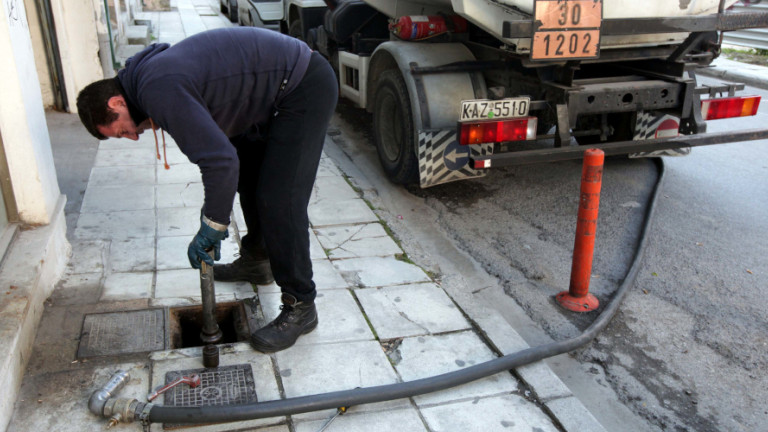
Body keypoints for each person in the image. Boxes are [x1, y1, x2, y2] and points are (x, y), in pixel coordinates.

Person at [76, 27, 338, 353]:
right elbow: (225, 156)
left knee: (280, 199)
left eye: (121, 131)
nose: (132, 137)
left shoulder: (157, 88)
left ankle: (301, 304)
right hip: (273, 92)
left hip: (303, 86)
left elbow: (219, 161)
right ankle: (258, 261)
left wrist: (211, 225)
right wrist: (215, 210)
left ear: (116, 102)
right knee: (250, 177)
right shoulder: (146, 80)